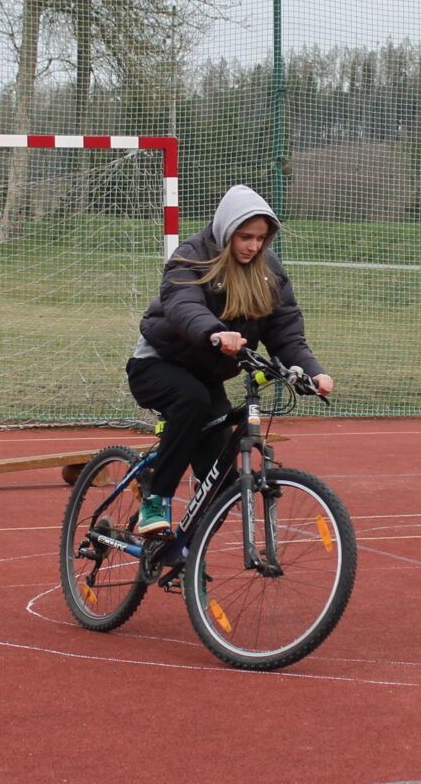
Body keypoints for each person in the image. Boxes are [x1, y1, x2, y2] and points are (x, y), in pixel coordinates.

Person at [126, 184, 333, 537]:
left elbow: (285, 333)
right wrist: (214, 332)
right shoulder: (192, 256)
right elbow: (184, 304)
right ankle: (155, 497)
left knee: (221, 484)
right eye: (245, 237)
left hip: (206, 376)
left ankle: (184, 555)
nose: (253, 246)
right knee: (192, 401)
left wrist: (313, 372)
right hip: (157, 365)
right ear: (226, 230)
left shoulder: (268, 271)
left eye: (261, 238)